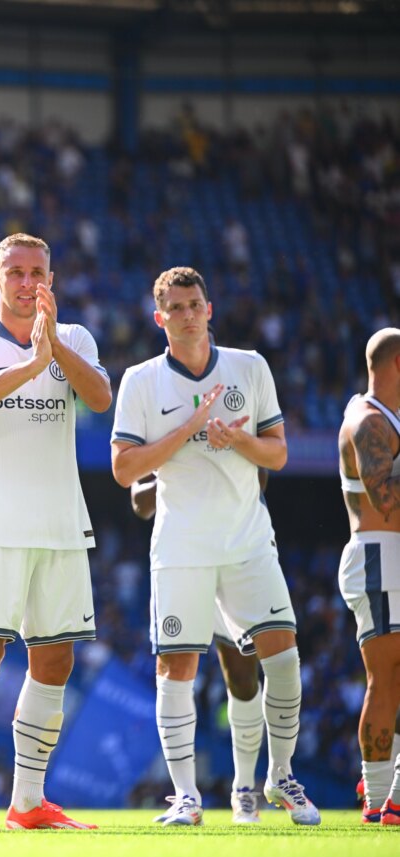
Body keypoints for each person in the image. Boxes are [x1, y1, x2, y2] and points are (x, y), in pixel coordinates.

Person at [111, 266, 318, 826]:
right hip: (181, 546)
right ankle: (186, 796)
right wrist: (188, 431)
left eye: (194, 304)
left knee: (285, 657)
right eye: (174, 308)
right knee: (175, 669)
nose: (186, 315)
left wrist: (238, 438)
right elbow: (124, 469)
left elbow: (277, 455)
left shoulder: (250, 367)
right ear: (160, 319)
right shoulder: (141, 381)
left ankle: (280, 776)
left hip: (248, 539)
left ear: (209, 308)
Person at [0, 232, 110, 832]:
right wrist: (32, 365)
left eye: (37, 270)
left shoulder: (75, 339)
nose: (26, 280)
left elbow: (99, 397)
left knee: (55, 661)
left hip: (61, 526)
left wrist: (54, 348)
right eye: (14, 270)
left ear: (51, 278)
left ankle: (28, 802)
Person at [131, 469, 270, 822]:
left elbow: (261, 477)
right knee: (174, 671)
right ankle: (186, 797)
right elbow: (139, 502)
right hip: (180, 557)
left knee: (242, 677)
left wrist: (215, 463)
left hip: (233, 551)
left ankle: (243, 789)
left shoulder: (232, 416)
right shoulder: (162, 425)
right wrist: (179, 471)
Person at [337, 327, 400, 824]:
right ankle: (386, 798)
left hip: (385, 555)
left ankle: (381, 800)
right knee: (385, 678)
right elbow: (386, 498)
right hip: (381, 554)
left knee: (388, 679)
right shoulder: (368, 422)